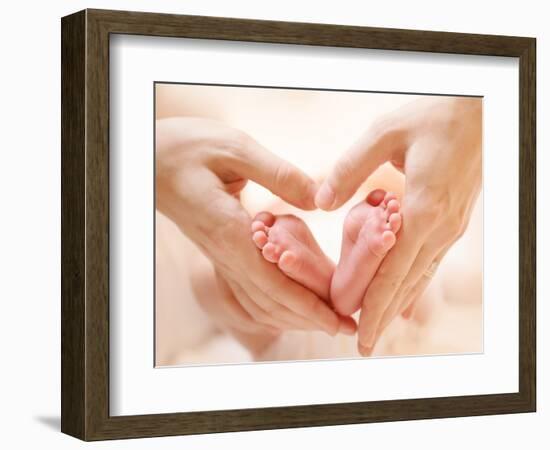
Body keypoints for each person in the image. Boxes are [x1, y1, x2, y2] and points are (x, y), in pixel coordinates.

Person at [314, 97, 482, 355]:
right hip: (402, 294)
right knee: (421, 288)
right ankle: (338, 279)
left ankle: (321, 278)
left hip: (309, 317)